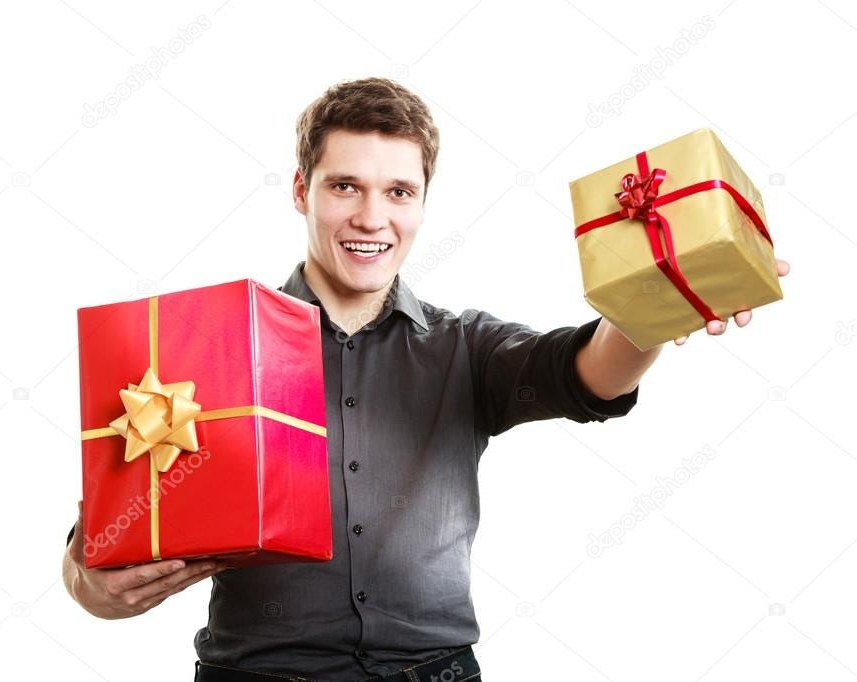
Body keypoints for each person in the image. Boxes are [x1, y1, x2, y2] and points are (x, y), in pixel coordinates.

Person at [62, 77, 791, 681]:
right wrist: (90, 585)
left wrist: (658, 299)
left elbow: (585, 372)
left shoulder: (464, 348)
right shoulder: (213, 343)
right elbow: (107, 531)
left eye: (398, 192)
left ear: (421, 201)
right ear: (300, 189)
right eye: (344, 186)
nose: (370, 217)